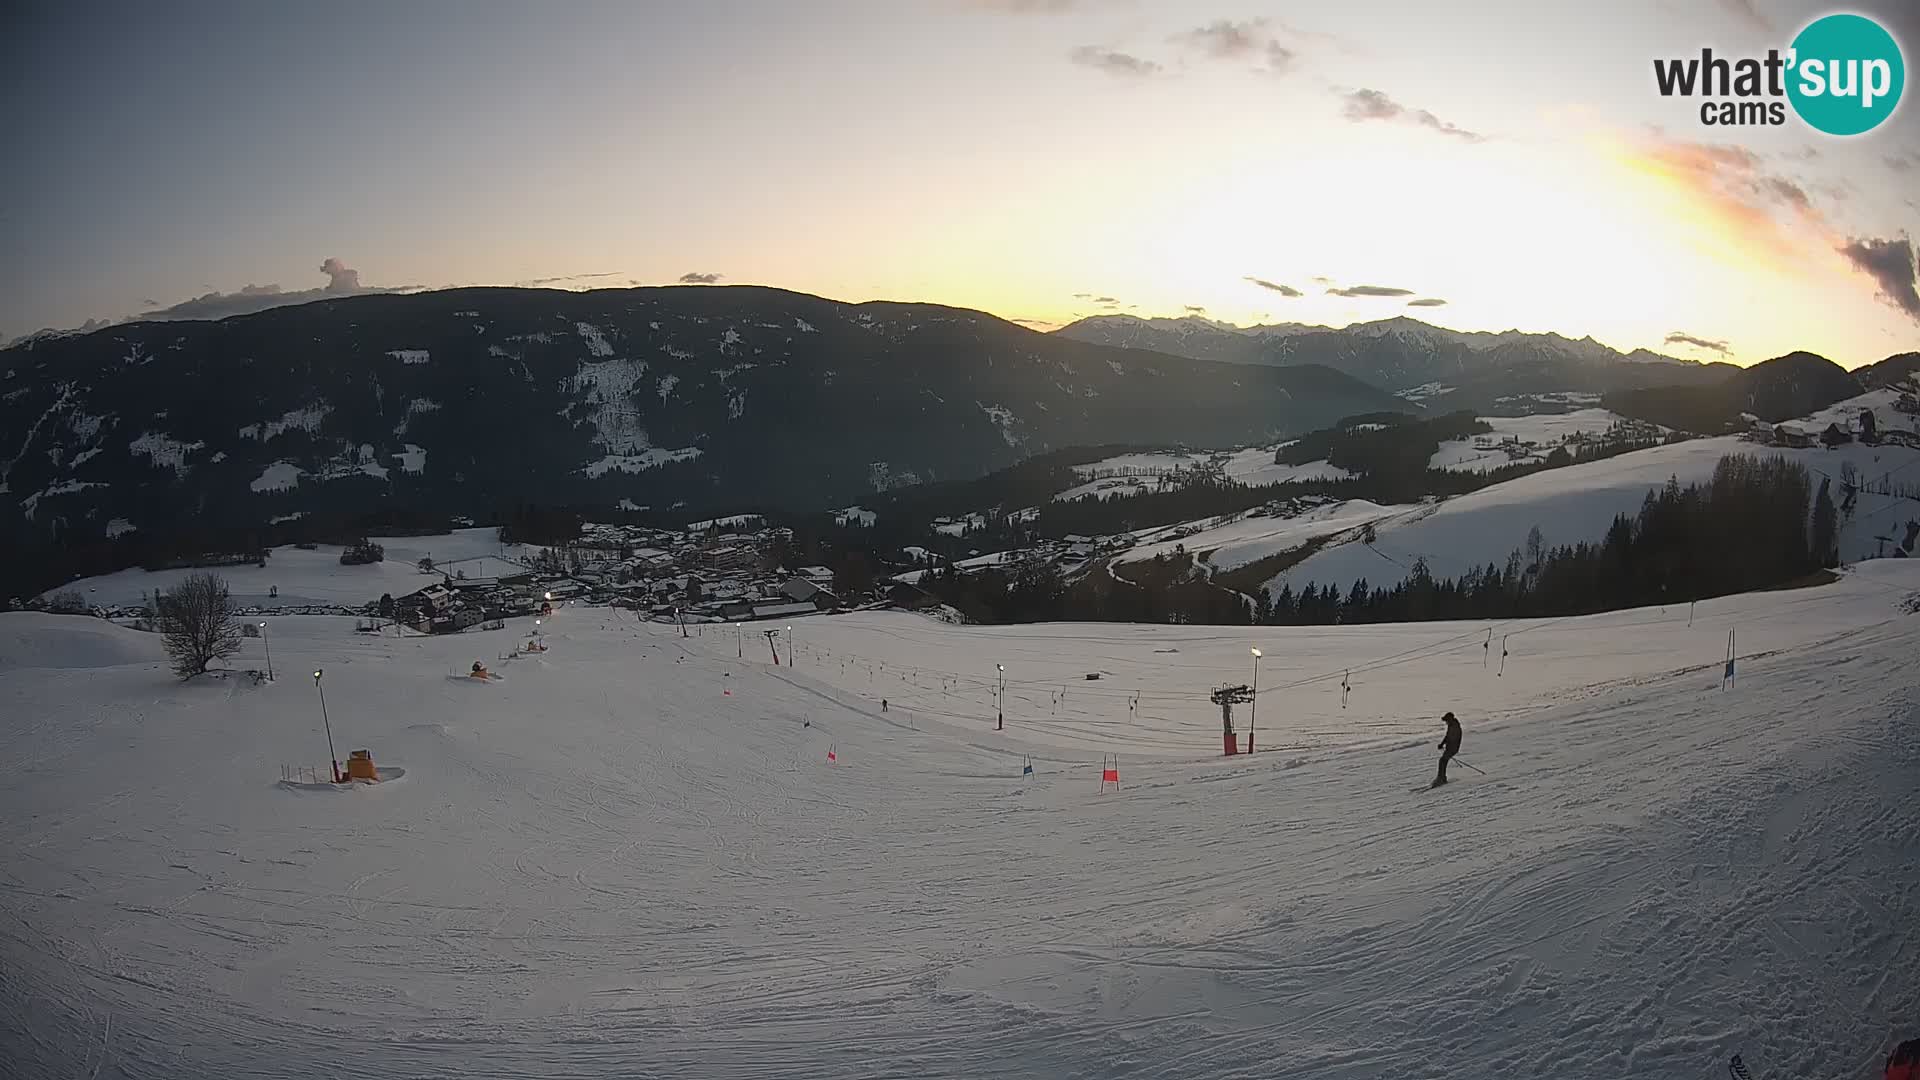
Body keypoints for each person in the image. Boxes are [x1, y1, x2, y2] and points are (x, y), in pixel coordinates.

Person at [1433, 711, 1463, 787]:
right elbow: (1447, 736)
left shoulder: (1455, 726)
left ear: (1450, 719)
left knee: (1442, 760)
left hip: (1453, 748)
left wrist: (1445, 744)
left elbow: (1452, 738)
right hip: (1450, 747)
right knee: (1443, 761)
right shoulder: (1451, 725)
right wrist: (1442, 744)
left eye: (1447, 720)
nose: (1446, 722)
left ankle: (1441, 778)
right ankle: (1441, 777)